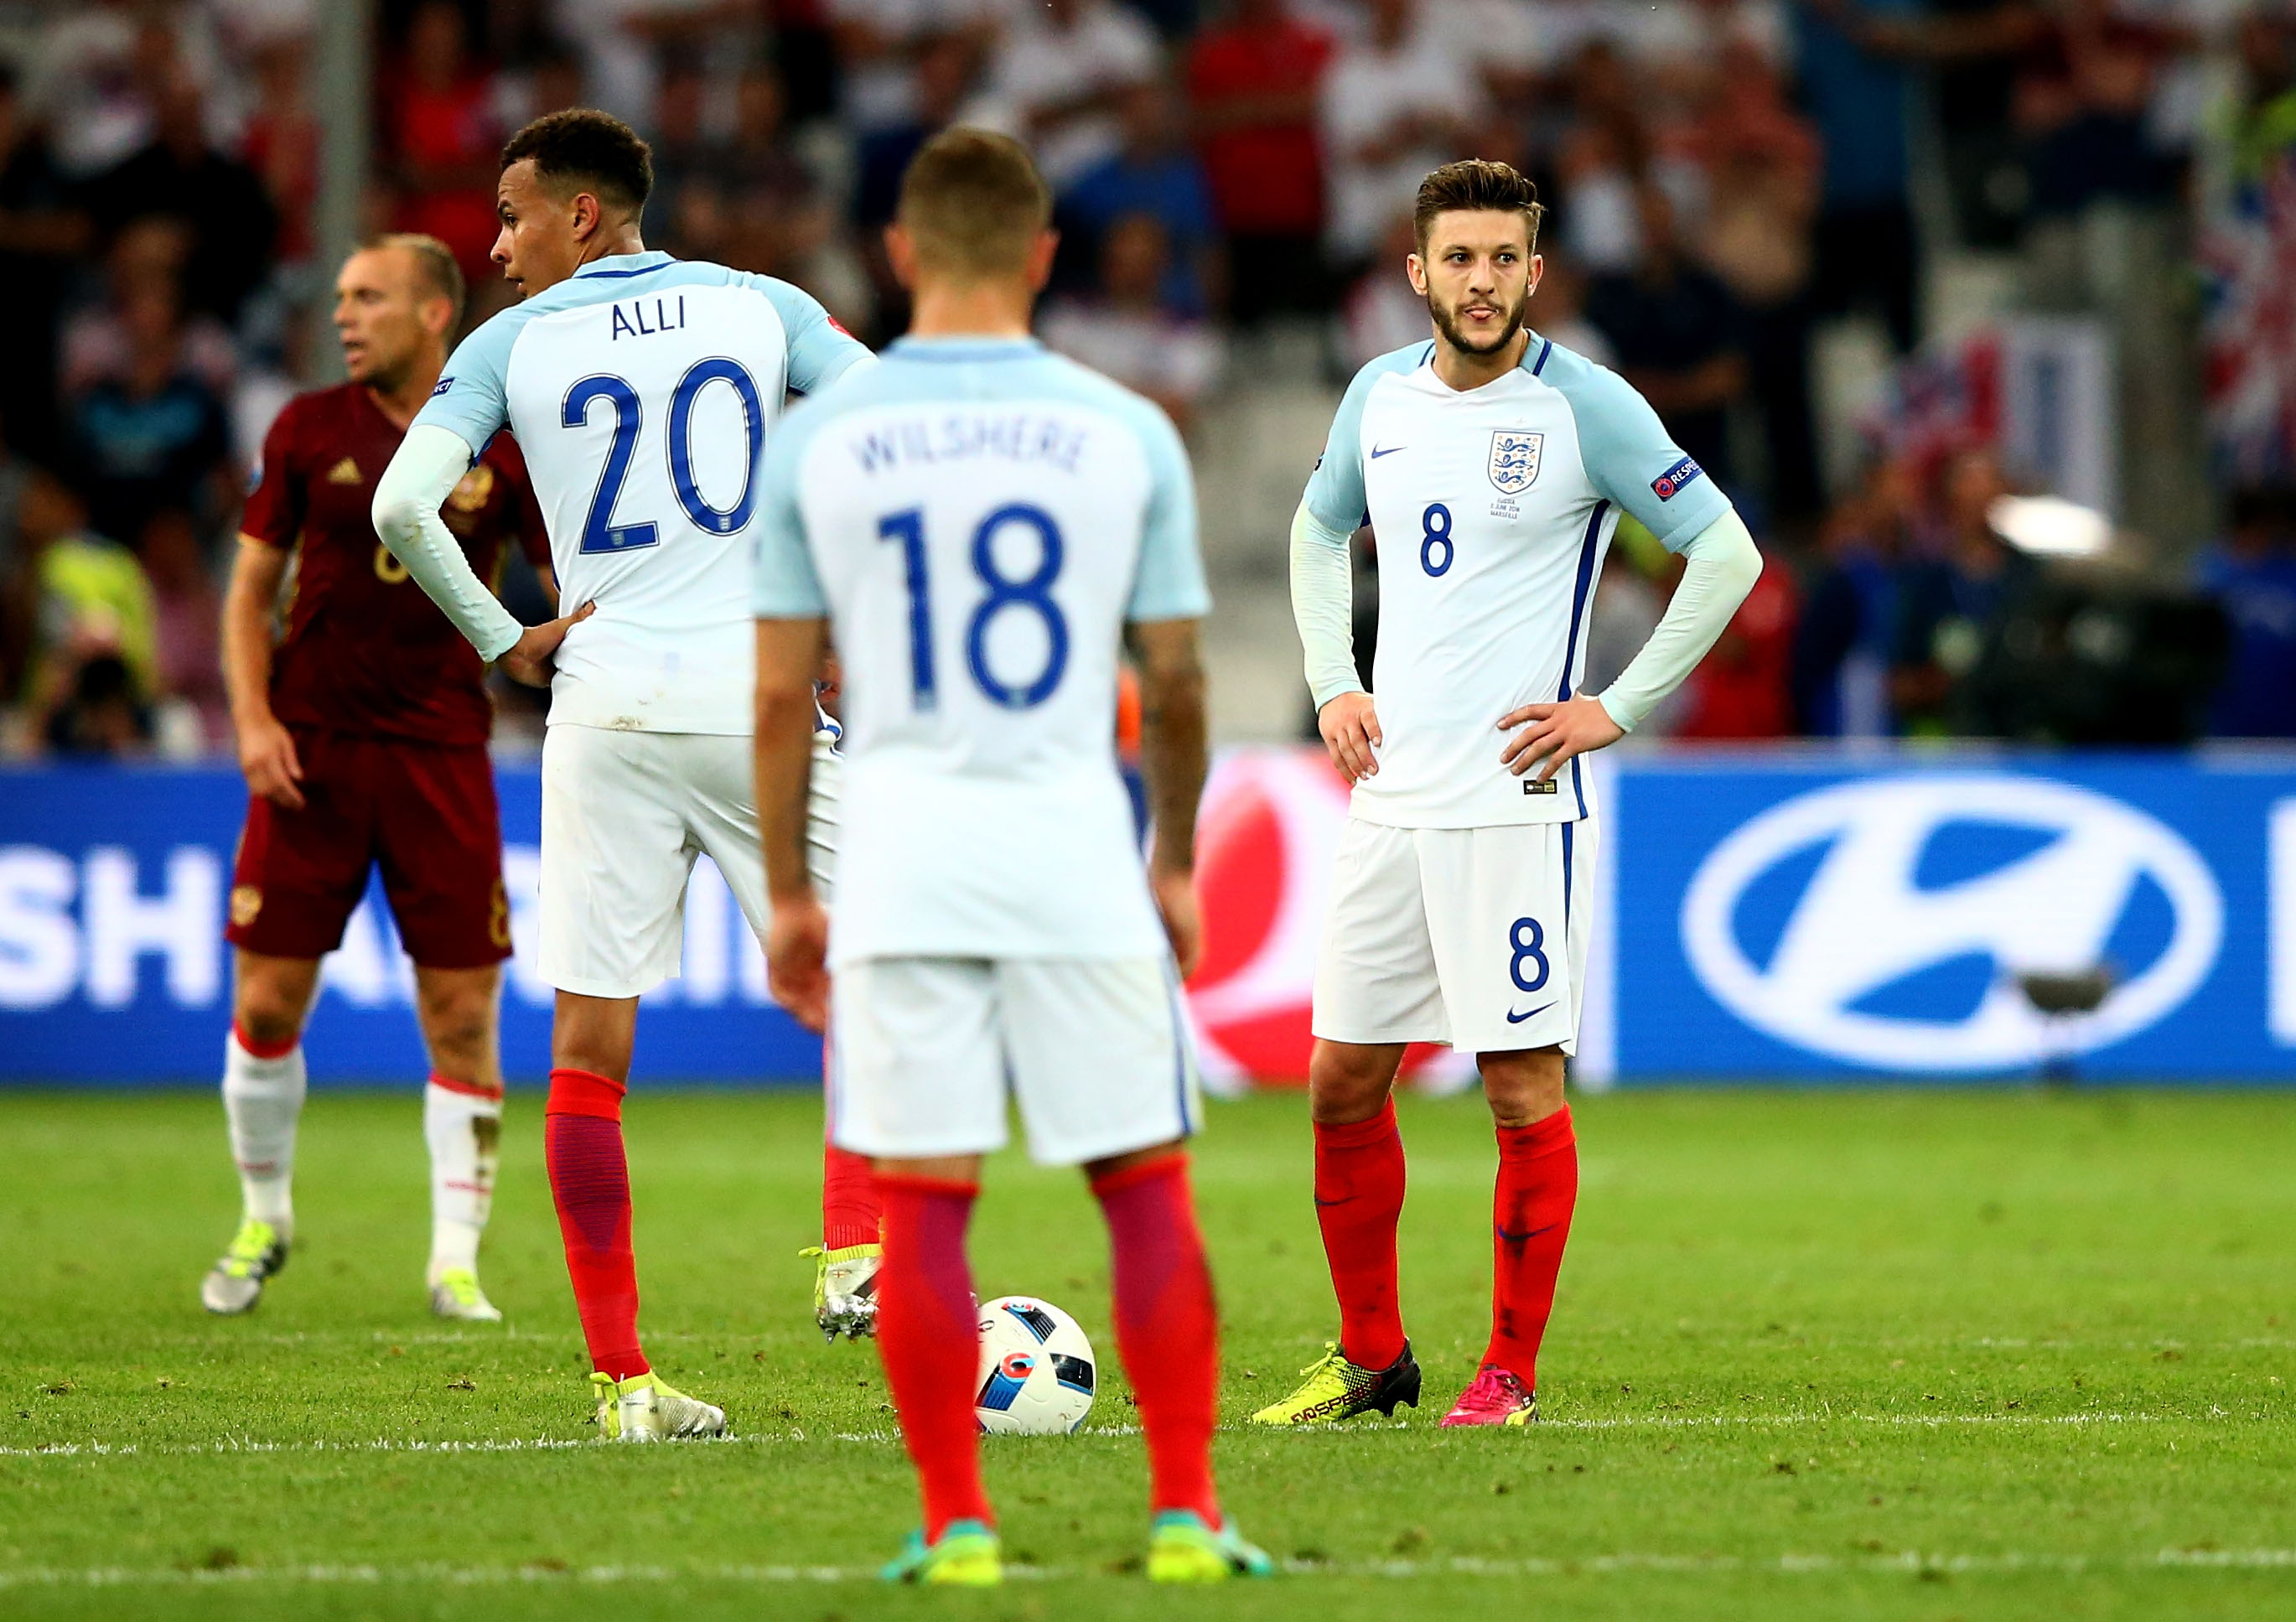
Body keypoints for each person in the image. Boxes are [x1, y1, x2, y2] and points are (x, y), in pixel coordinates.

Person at [752, 127, 1270, 1587]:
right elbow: (1174, 685)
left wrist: (791, 890)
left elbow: (784, 691)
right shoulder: (1125, 429)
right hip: (1069, 845)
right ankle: (1183, 1517)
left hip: (907, 851)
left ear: (900, 257)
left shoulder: (821, 439)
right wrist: (1173, 865)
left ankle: (956, 1530)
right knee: (1141, 1187)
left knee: (924, 1201)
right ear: (1046, 259)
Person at [372, 110, 873, 1438]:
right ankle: (854, 1249)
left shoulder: (503, 347)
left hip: (602, 703)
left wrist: (505, 642)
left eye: (511, 214)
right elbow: (890, 422)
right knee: (879, 984)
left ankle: (624, 1386)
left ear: (581, 216)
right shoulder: (765, 306)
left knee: (589, 1057)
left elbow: (398, 509)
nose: (495, 243)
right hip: (757, 694)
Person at [1261, 159, 1760, 1428]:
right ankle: (1373, 1357)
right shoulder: (1378, 393)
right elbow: (1319, 533)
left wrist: (1617, 707)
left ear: (1534, 273)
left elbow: (1727, 550)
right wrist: (1334, 682)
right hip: (1391, 796)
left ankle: (1510, 1374)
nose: (1480, 283)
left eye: (1503, 260)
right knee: (1339, 1083)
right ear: (1416, 272)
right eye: (1458, 260)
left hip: (1513, 801)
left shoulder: (1588, 405)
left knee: (1518, 1086)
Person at [201, 234, 552, 1322]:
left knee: (461, 1016)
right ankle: (265, 1217)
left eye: (370, 298)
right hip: (312, 749)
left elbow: (565, 574)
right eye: (342, 297)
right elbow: (248, 591)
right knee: (266, 999)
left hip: (444, 753)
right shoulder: (308, 428)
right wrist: (254, 721)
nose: (346, 316)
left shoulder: (502, 443)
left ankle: (456, 1260)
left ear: (436, 313)